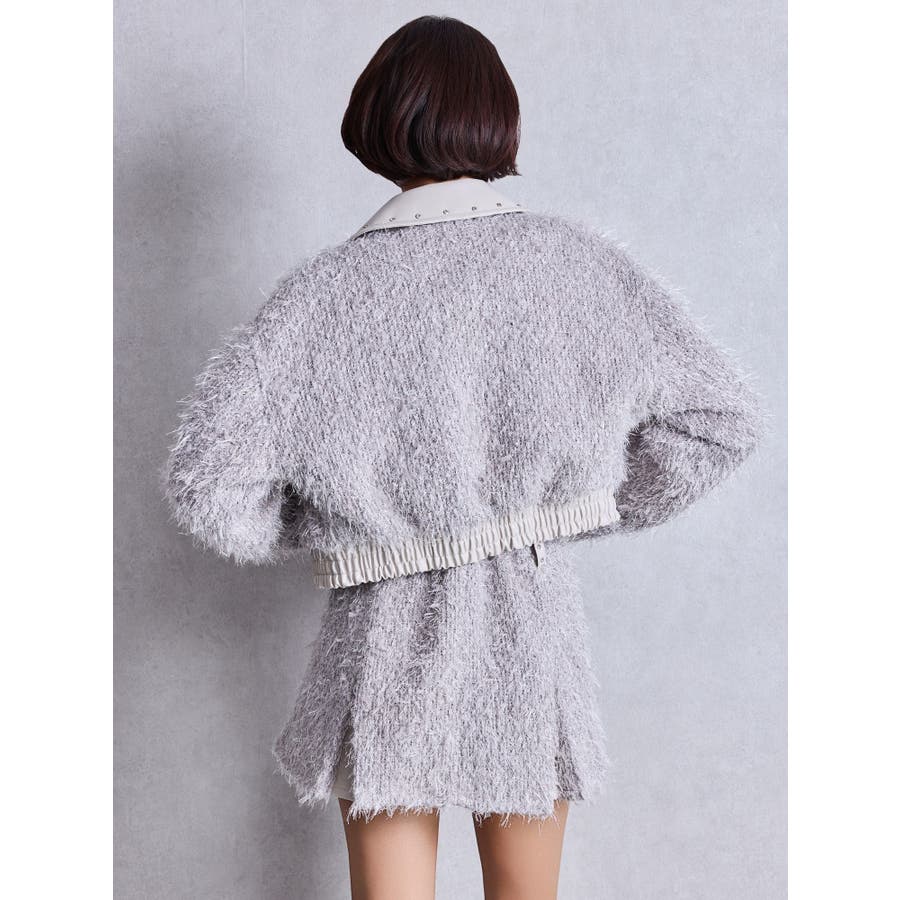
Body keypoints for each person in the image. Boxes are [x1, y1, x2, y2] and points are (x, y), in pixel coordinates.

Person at [161, 14, 765, 900]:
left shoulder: (318, 296)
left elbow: (206, 484)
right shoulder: (573, 265)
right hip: (530, 620)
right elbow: (718, 420)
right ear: (497, 119)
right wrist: (580, 504)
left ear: (374, 120)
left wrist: (339, 526)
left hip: (375, 634)